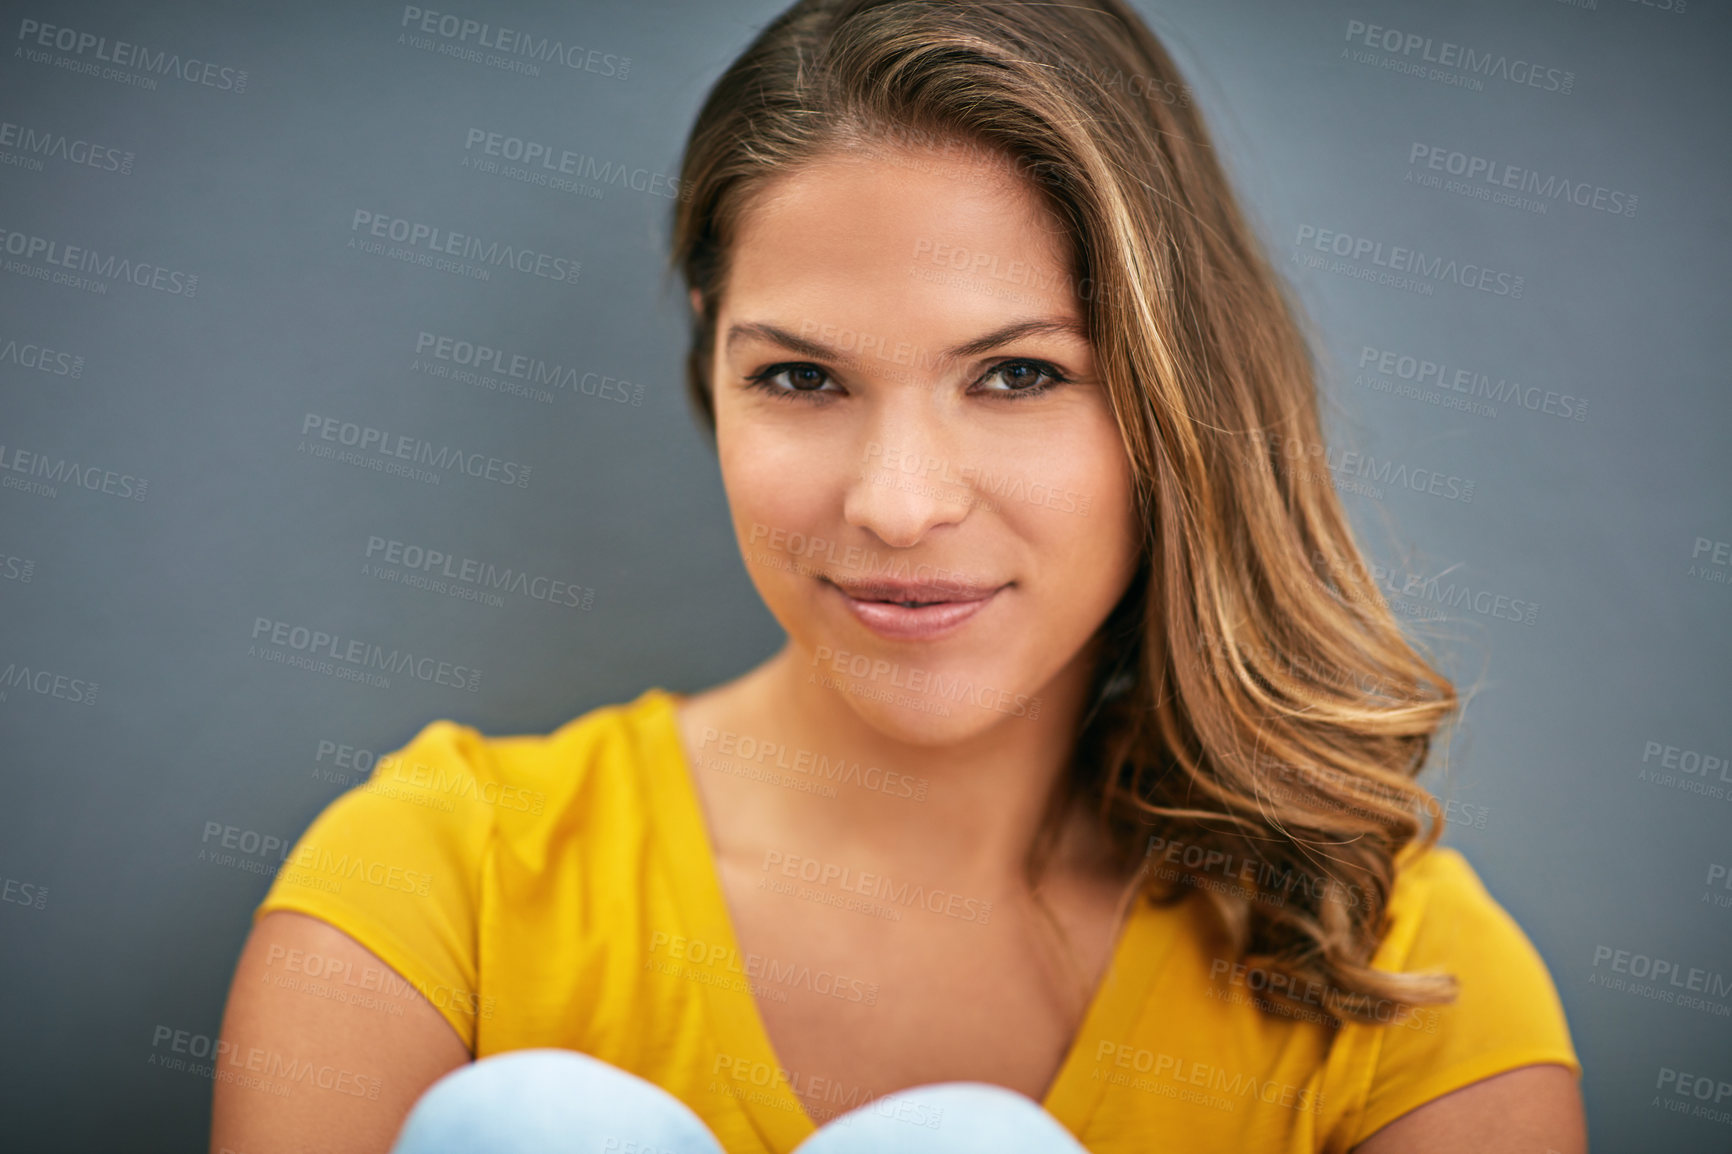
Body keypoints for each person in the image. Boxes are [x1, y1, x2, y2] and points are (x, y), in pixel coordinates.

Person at [210, 1, 1585, 1151]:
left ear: (1179, 398)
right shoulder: (431, 888)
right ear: (711, 360)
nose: (899, 503)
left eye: (1019, 373)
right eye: (801, 376)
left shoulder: (1402, 981)